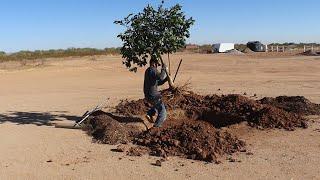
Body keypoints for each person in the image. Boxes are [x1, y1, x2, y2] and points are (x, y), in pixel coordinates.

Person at [143, 58, 168, 128]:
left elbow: (157, 83)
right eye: (157, 64)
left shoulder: (148, 70)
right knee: (163, 112)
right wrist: (164, 69)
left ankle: (149, 113)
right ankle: (156, 127)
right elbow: (161, 77)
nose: (157, 66)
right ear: (154, 63)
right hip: (153, 95)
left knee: (157, 105)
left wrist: (166, 79)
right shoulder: (152, 69)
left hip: (148, 95)